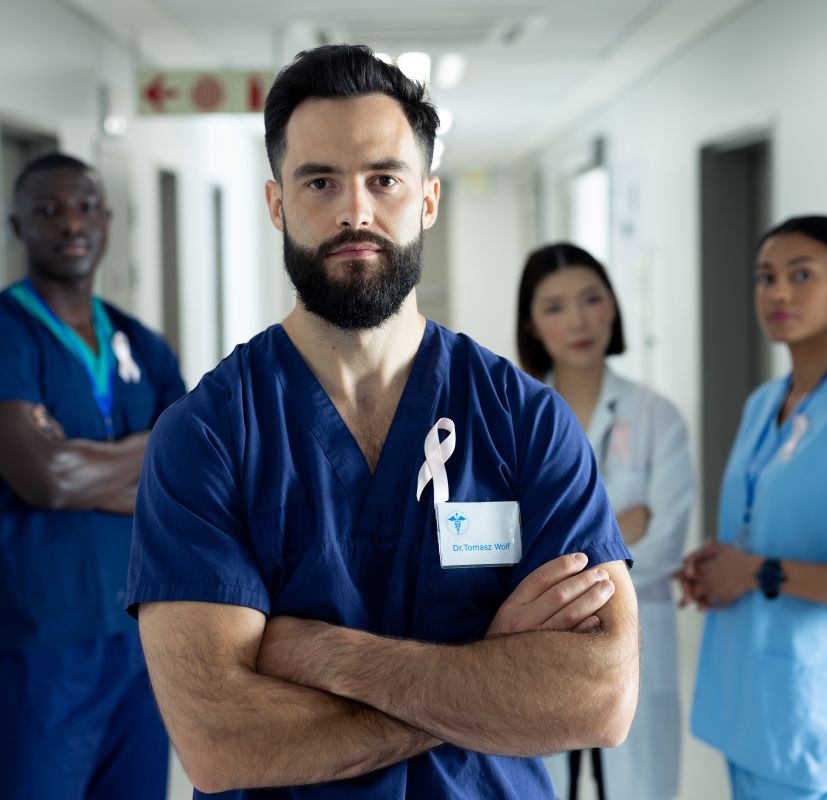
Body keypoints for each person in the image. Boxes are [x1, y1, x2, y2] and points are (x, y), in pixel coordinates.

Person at [127, 44, 640, 799]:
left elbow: (598, 697)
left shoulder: (524, 420)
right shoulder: (208, 436)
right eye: (320, 181)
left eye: (384, 179)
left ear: (427, 199)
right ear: (277, 204)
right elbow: (221, 740)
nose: (354, 211)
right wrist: (486, 673)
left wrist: (327, 657)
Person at [0, 153, 185, 798]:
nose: (70, 222)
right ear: (17, 225)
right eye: (48, 210)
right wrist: (153, 447)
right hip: (40, 642)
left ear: (107, 220)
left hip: (140, 640)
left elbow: (189, 479)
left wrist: (87, 462)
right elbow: (45, 480)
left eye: (85, 206)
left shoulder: (143, 343)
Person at [679, 215, 827, 800]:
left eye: (802, 274)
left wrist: (758, 572)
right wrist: (722, 565)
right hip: (754, 703)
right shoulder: (767, 402)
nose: (779, 292)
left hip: (816, 714)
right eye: (766, 277)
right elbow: (763, 525)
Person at [517, 243, 695, 800]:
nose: (577, 321)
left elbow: (664, 545)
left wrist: (561, 552)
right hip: (542, 653)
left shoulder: (655, 417)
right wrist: (619, 529)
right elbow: (503, 544)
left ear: (613, 308)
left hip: (635, 644)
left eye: (591, 299)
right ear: (531, 324)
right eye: (555, 307)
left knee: (639, 787)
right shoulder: (513, 417)